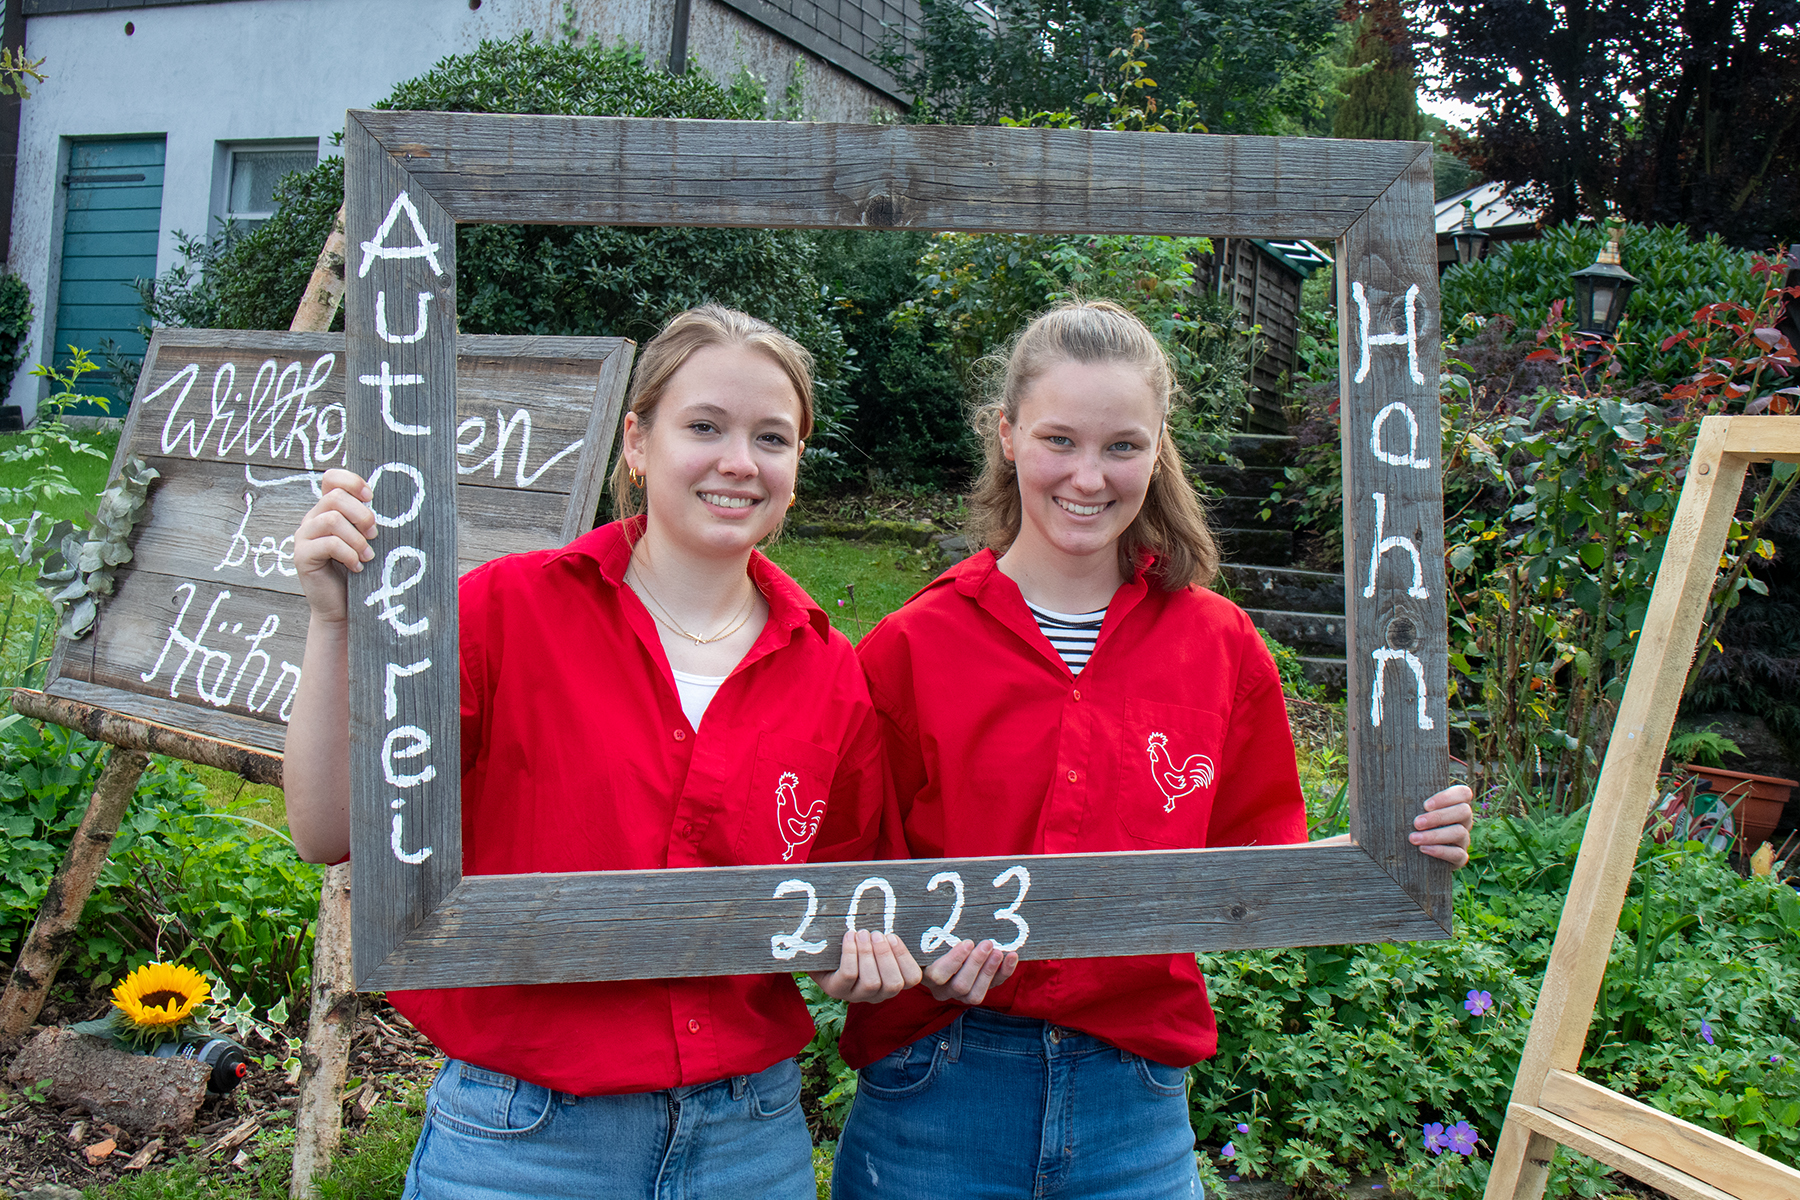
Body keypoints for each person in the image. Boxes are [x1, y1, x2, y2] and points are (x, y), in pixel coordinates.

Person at [831, 300, 1475, 1200]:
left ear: (1159, 447)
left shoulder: (1220, 646)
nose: (1089, 476)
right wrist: (900, 953)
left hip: (1132, 1102)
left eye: (1123, 446)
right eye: (1059, 440)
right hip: (937, 1087)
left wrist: (1400, 846)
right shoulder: (911, 646)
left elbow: (1253, 868)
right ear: (1008, 436)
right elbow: (853, 879)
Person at [284, 305, 923, 1200]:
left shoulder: (829, 671)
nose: (740, 462)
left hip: (749, 1140)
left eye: (771, 438)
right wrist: (333, 622)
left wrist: (864, 962)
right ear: (637, 441)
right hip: (526, 1142)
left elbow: (837, 920)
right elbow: (327, 828)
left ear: (795, 467)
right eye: (705, 427)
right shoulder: (504, 614)